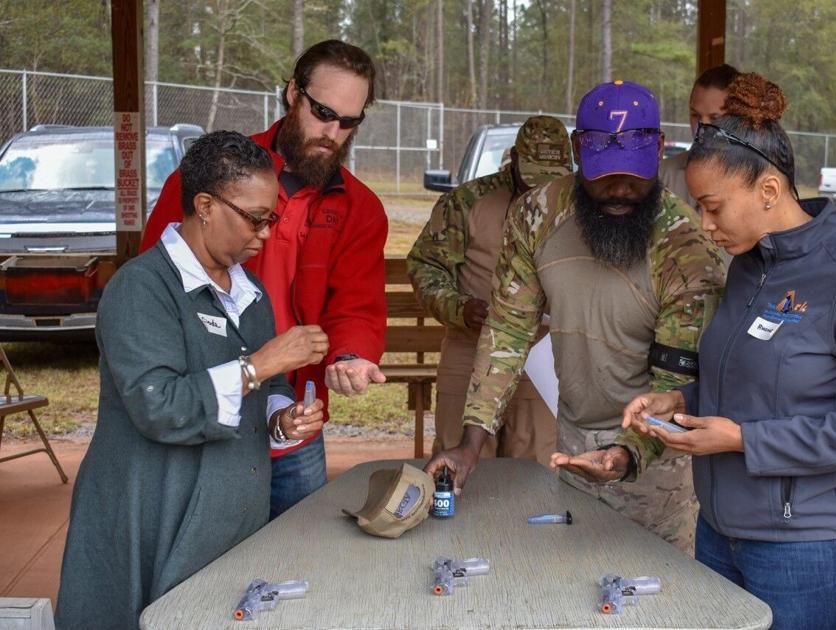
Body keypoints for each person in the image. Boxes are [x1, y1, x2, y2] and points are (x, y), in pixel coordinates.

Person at [616, 73, 836, 628]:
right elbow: (751, 381)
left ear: (769, 191)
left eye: (713, 207)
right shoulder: (748, 269)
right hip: (721, 536)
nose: (705, 226)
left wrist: (744, 440)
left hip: (812, 551)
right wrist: (677, 400)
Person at [424, 80, 727, 552]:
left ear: (661, 150)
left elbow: (675, 390)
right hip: (572, 441)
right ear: (577, 151)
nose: (620, 188)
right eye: (604, 173)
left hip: (657, 465)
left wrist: (628, 454)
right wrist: (470, 444)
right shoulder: (536, 215)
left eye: (635, 173)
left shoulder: (687, 250)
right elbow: (507, 328)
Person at [55, 131, 329, 630]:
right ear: (204, 205)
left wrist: (282, 419)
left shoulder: (250, 293)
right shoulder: (140, 288)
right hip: (154, 515)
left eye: (272, 219)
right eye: (255, 218)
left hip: (227, 523)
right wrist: (260, 365)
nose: (265, 234)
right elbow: (159, 405)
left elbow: (263, 392)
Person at [140, 40, 388, 519]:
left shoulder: (360, 208)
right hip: (206, 393)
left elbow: (356, 304)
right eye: (322, 112)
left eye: (349, 122)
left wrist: (351, 355)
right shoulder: (214, 175)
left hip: (293, 409)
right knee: (199, 548)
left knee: (294, 552)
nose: (333, 132)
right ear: (293, 92)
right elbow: (156, 278)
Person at [406, 116, 572, 465]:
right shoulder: (466, 202)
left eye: (550, 179)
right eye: (531, 179)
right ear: (513, 158)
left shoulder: (575, 205)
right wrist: (459, 308)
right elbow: (426, 266)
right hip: (471, 347)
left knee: (538, 468)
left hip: (542, 357)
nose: (539, 191)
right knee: (458, 462)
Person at [659, 63, 740, 210]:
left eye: (714, 118)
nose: (701, 127)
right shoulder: (664, 174)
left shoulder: (754, 180)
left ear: (740, 120)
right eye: (695, 115)